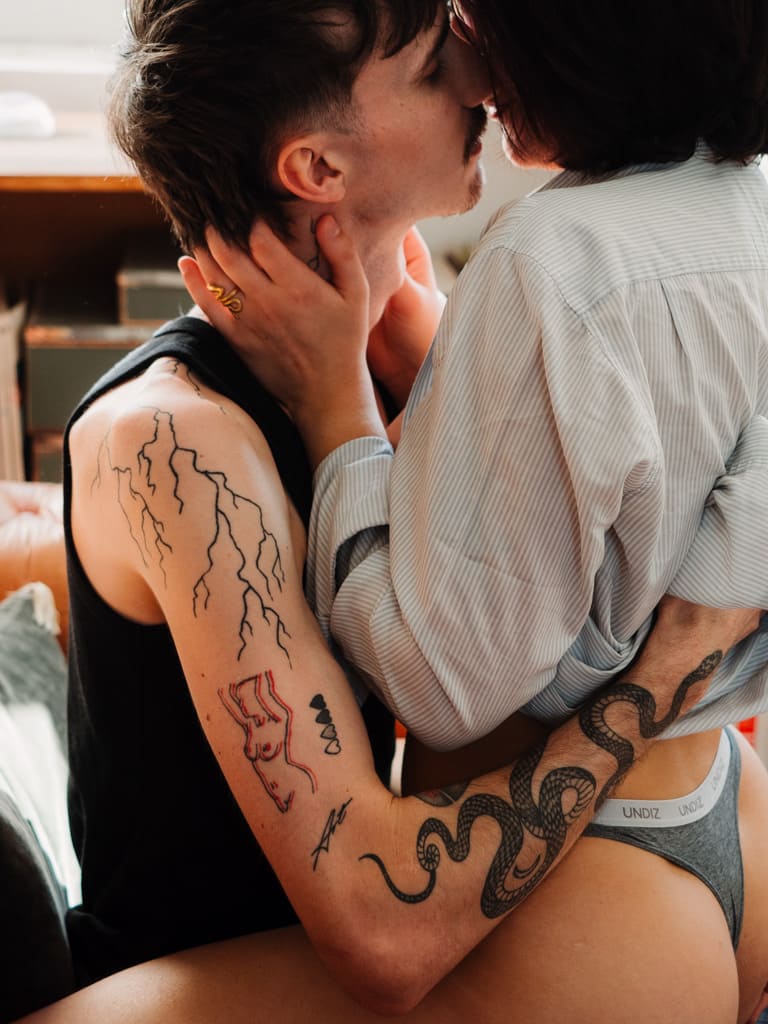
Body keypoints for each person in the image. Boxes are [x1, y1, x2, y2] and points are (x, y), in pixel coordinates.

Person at [177, 0, 768, 1020]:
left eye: (471, 16)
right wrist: (446, 366)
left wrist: (337, 413)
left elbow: (441, 682)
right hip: (726, 804)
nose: (476, 69)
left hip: (574, 876)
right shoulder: (742, 198)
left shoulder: (552, 256)